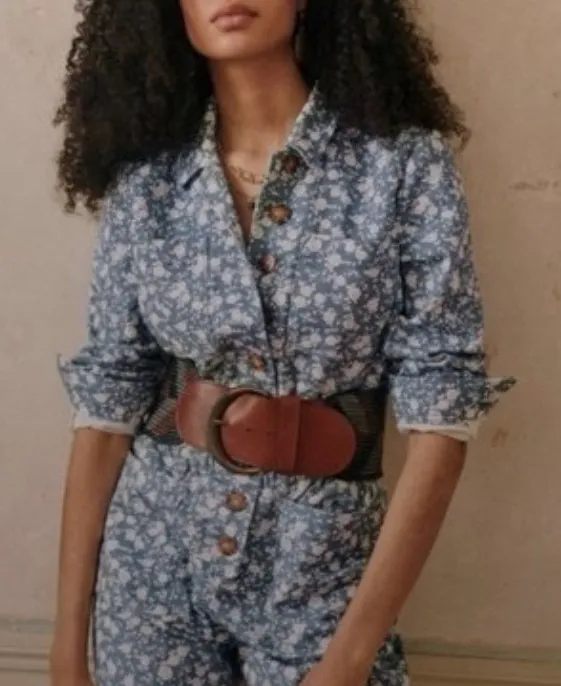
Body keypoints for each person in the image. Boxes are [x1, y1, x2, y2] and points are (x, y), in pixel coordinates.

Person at [50, 1, 515, 685]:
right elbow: (107, 404)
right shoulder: (146, 182)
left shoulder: (402, 165)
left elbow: (442, 413)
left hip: (323, 570)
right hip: (151, 564)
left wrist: (349, 658)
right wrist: (68, 648)